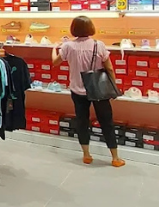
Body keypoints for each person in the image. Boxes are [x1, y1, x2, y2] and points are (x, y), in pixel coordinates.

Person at [52, 15, 125, 167]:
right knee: (106, 122)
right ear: (91, 28)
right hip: (98, 90)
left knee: (82, 121)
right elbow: (109, 68)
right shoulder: (99, 45)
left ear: (73, 29)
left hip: (77, 90)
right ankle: (115, 158)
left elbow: (55, 63)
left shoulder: (68, 46)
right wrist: (113, 86)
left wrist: (54, 49)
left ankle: (86, 155)